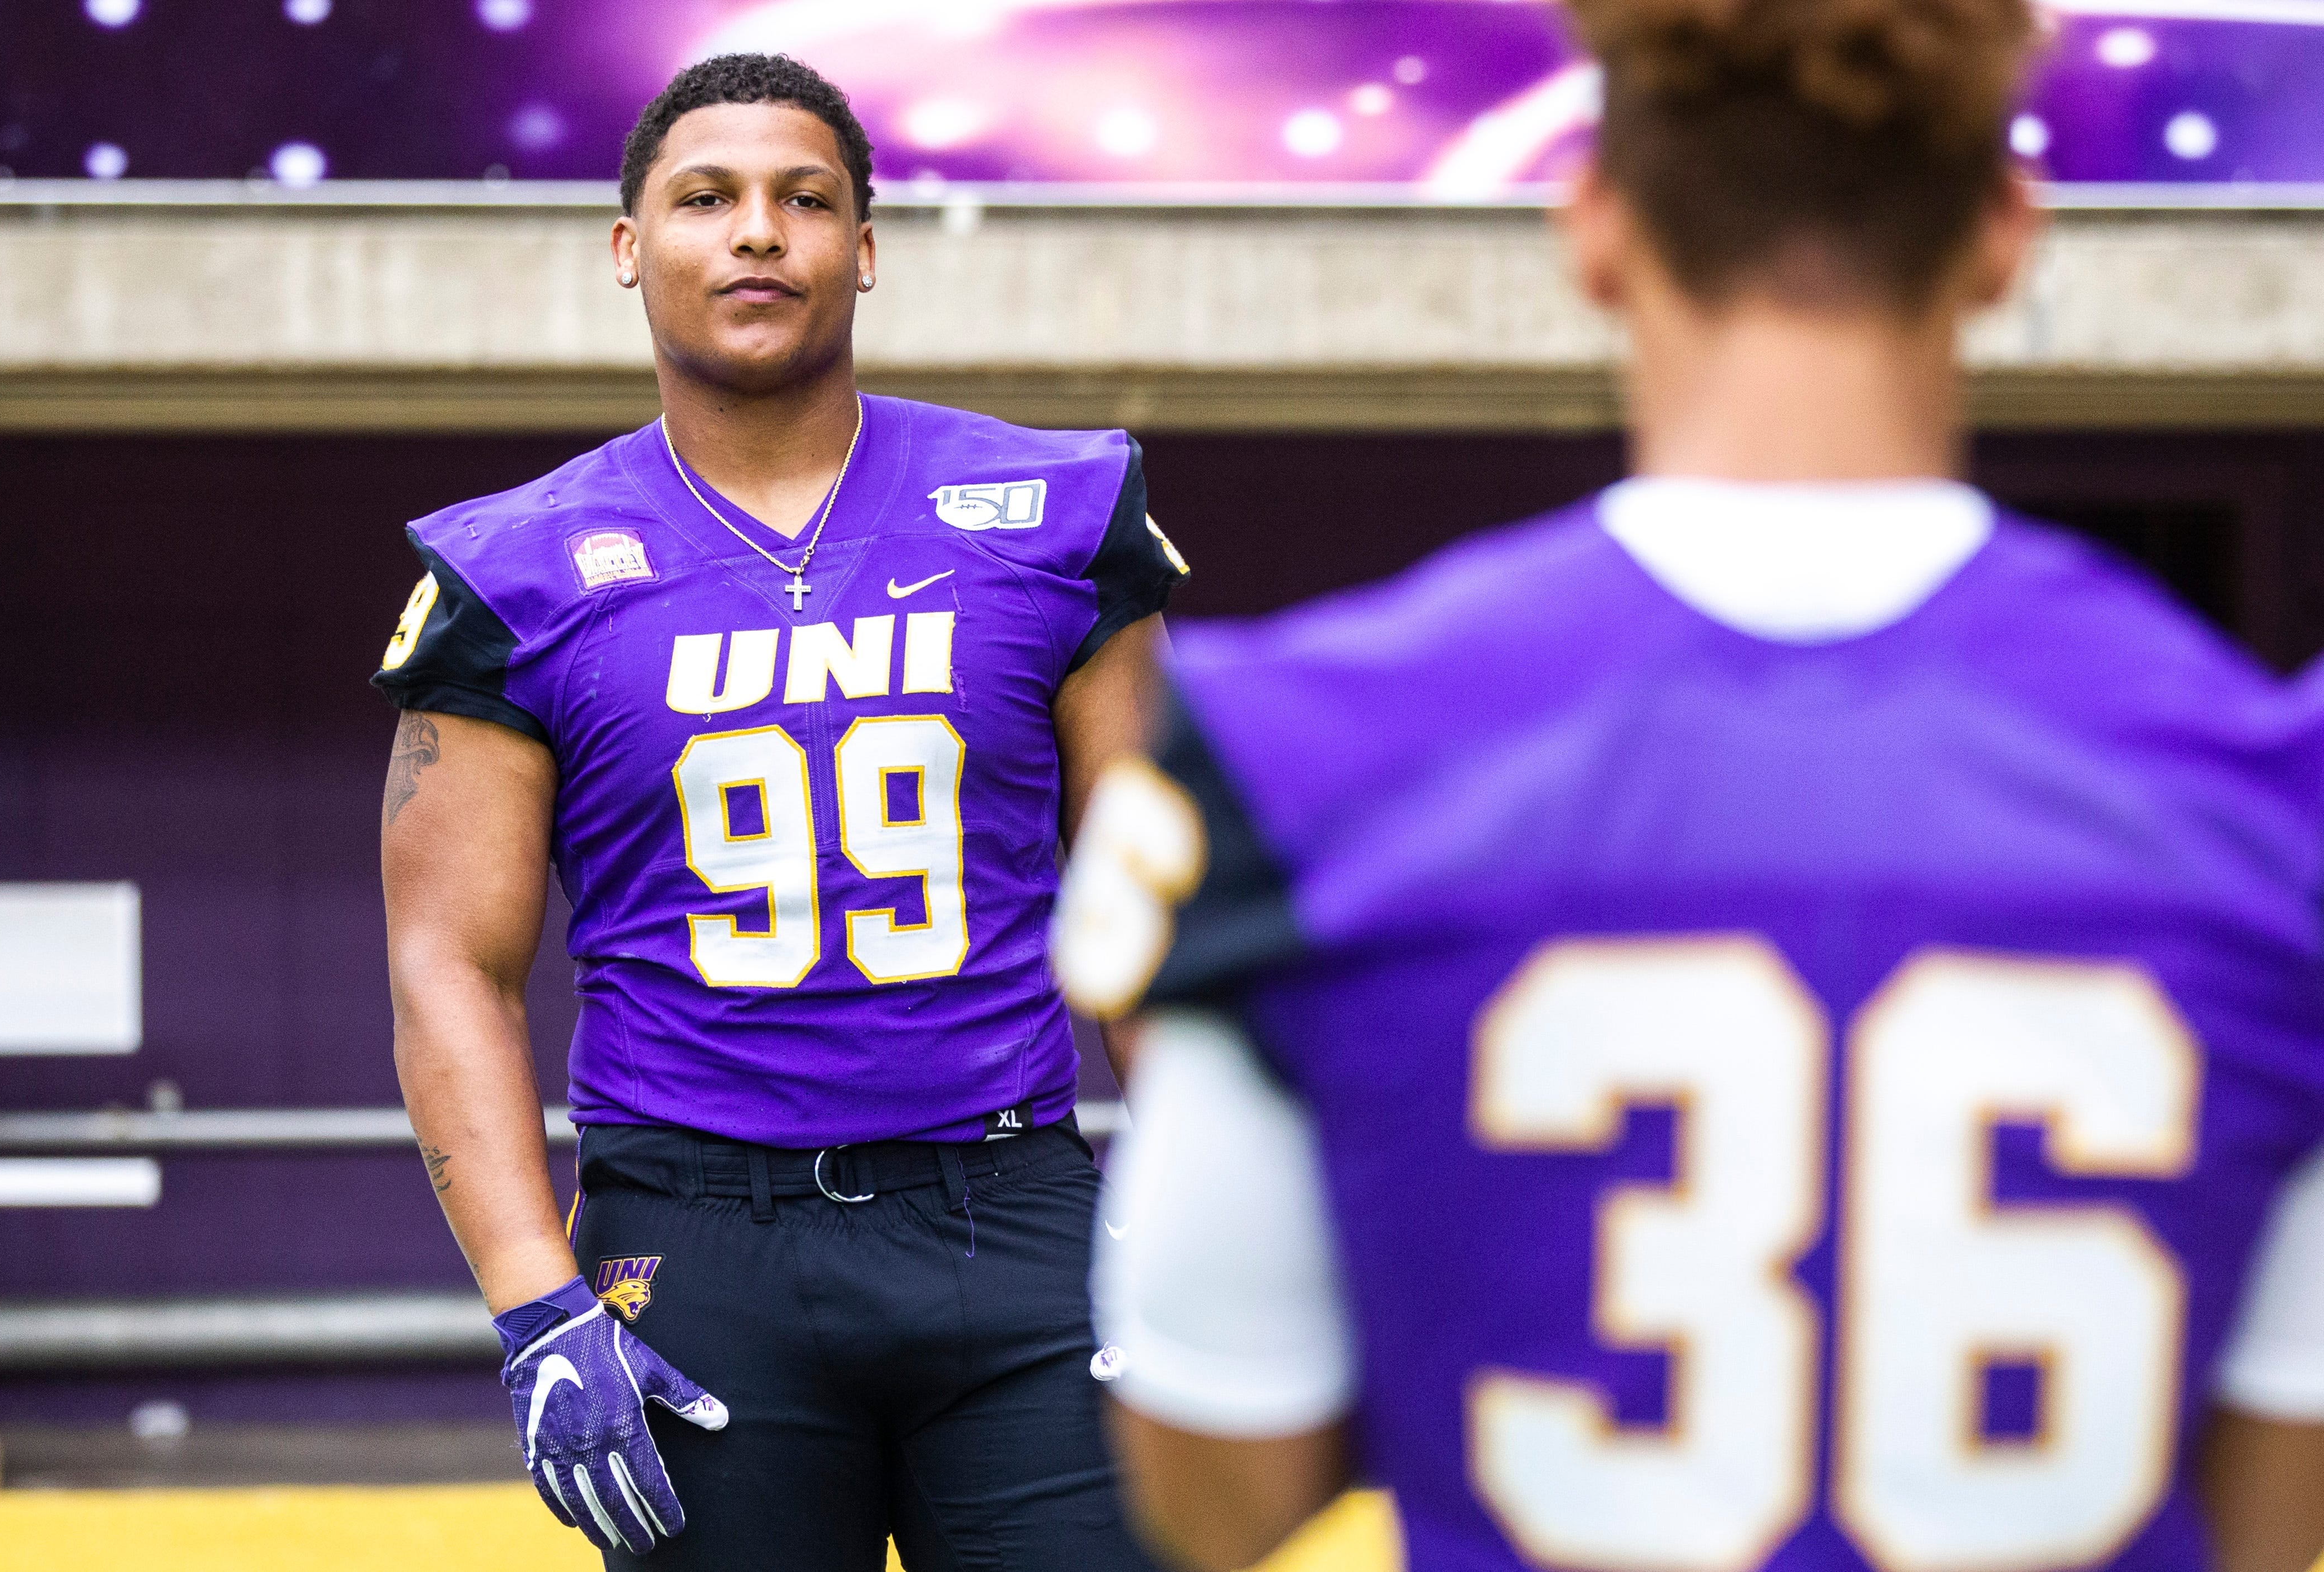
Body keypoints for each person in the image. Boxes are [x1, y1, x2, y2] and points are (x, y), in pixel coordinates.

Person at [1052, 1, 2324, 1570]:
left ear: (1591, 225)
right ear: (2006, 234)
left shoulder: (1302, 762)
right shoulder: (2268, 791)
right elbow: (2275, 1512)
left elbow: (1221, 1480)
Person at [375, 54, 1183, 1570]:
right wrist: (540, 1302)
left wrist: (1202, 1211)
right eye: (707, 198)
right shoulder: (515, 573)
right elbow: (447, 965)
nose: (759, 233)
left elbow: (1155, 894)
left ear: (862, 247)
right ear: (630, 247)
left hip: (1011, 1209)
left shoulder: (1057, 515)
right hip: (697, 1238)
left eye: (805, 199)